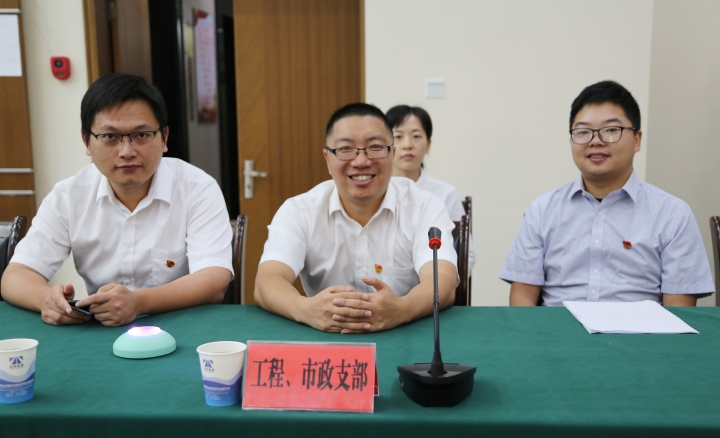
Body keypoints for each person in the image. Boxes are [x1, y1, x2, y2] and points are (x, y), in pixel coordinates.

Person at [0, 73, 233, 326]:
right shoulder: (69, 196)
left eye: (141, 135)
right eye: (110, 137)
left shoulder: (197, 188)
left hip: (183, 326)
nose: (127, 152)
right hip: (101, 332)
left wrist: (139, 302)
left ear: (164, 138)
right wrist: (46, 299)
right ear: (87, 141)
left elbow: (214, 280)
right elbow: (16, 275)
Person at [502, 80, 714, 307]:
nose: (595, 141)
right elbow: (523, 297)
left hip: (638, 330)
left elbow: (678, 309)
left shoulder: (673, 215)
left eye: (611, 130)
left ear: (637, 140)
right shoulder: (542, 210)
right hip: (557, 328)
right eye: (583, 132)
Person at [254, 102, 458, 333]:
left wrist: (402, 309)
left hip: (407, 335)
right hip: (324, 337)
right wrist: (304, 309)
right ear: (327, 158)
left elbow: (443, 280)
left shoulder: (424, 206)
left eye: (376, 147)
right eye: (345, 149)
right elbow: (267, 280)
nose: (361, 161)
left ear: (392, 153)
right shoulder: (299, 211)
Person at [386, 104, 474, 272]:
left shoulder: (446, 194)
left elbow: (466, 256)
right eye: (398, 136)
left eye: (416, 136)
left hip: (436, 283)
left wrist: (442, 282)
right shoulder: (373, 191)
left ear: (428, 144)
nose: (407, 145)